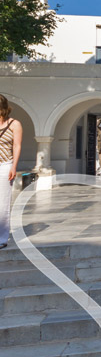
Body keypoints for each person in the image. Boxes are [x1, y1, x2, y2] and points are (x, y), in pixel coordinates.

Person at [0, 95, 23, 249]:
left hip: (5, 165)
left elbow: (17, 146)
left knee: (3, 203)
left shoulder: (14, 124)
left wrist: (14, 166)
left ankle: (2, 238)